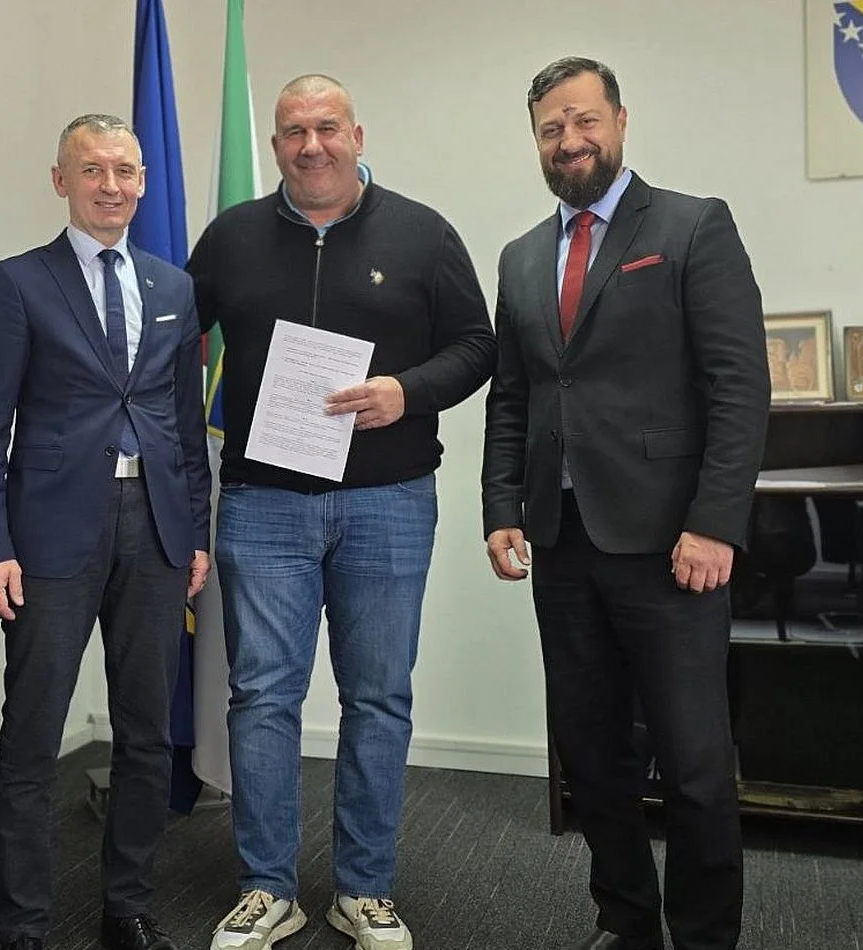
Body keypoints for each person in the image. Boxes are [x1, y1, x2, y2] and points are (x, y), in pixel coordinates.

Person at [189, 74, 496, 950]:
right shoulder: (231, 237)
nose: (311, 145)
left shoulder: (423, 233)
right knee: (261, 698)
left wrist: (408, 391)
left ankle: (364, 890)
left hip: (387, 502)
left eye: (327, 127)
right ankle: (266, 889)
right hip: (261, 504)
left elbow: (477, 346)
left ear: (357, 136)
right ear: (275, 145)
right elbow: (174, 344)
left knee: (377, 698)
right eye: (293, 131)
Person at [482, 57, 770, 950]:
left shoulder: (690, 225)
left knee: (692, 763)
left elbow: (738, 387)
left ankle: (704, 936)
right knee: (592, 757)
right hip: (561, 542)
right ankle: (626, 922)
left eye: (583, 120)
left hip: (669, 544)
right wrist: (500, 506)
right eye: (550, 128)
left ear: (618, 121)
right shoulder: (520, 257)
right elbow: (512, 395)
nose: (568, 140)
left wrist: (714, 522)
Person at [0, 114, 211, 950]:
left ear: (143, 181)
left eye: (125, 170)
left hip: (156, 531)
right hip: (47, 536)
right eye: (93, 169)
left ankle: (126, 908)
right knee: (33, 735)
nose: (112, 185)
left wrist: (195, 533)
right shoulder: (18, 282)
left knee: (147, 732)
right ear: (60, 180)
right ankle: (22, 926)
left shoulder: (172, 287)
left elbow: (183, 425)